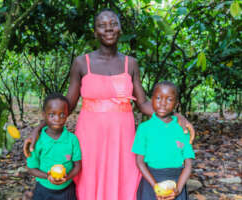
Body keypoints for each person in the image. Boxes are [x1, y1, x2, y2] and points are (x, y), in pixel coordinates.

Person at [24, 9, 195, 200]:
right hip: (90, 133)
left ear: (120, 29)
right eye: (102, 26)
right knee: (89, 176)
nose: (109, 29)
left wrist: (177, 117)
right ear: (95, 32)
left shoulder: (130, 63)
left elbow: (144, 103)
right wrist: (39, 128)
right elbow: (67, 106)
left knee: (123, 176)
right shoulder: (81, 63)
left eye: (113, 24)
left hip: (123, 133)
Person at [132, 81, 195, 200]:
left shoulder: (182, 129)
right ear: (151, 100)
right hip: (151, 181)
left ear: (176, 104)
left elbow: (188, 165)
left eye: (169, 99)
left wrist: (178, 189)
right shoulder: (144, 128)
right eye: (158, 98)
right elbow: (139, 162)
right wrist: (155, 186)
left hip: (176, 181)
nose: (163, 103)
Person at [26, 93, 82, 200]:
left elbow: (77, 166)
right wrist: (48, 177)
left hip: (67, 190)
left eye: (62, 115)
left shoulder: (72, 140)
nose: (57, 119)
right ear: (44, 115)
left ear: (67, 114)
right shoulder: (37, 141)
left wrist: (67, 178)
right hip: (43, 190)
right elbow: (31, 168)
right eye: (52, 115)